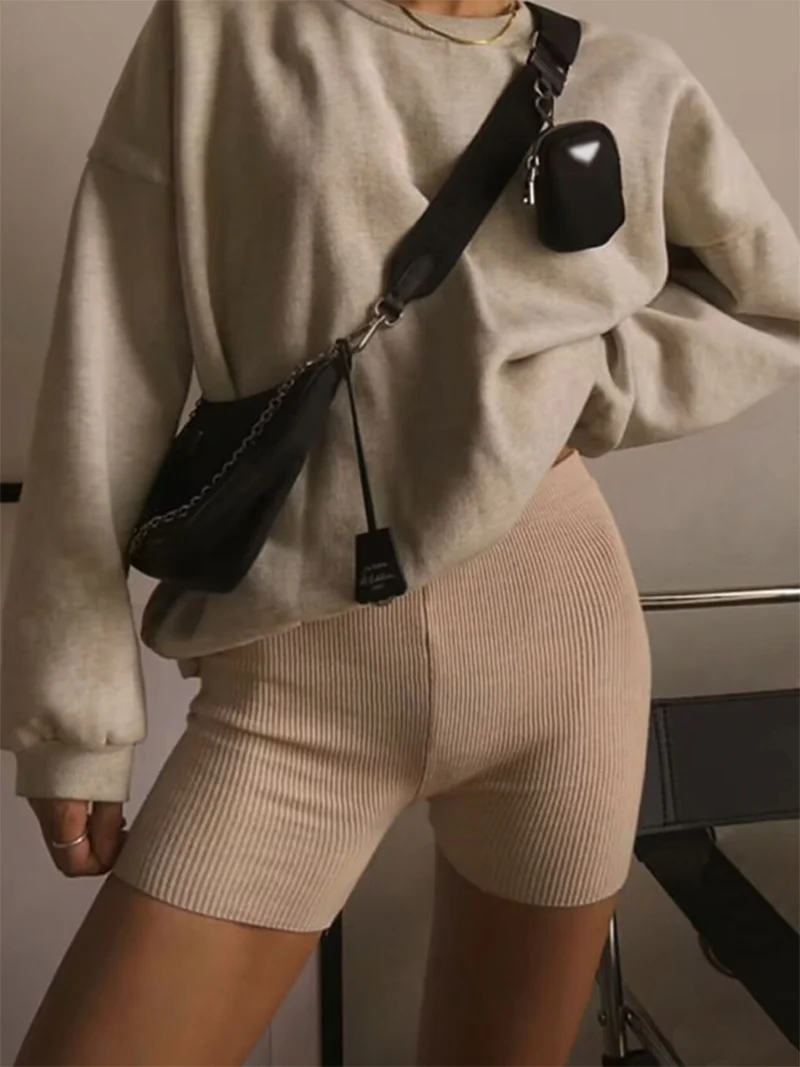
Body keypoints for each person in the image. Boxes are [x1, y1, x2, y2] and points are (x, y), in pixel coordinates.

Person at [2, 0, 798, 1064]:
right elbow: (110, 371)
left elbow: (771, 304)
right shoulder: (225, 32)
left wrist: (582, 388)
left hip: (565, 660)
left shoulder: (629, 81)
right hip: (295, 688)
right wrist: (75, 717)